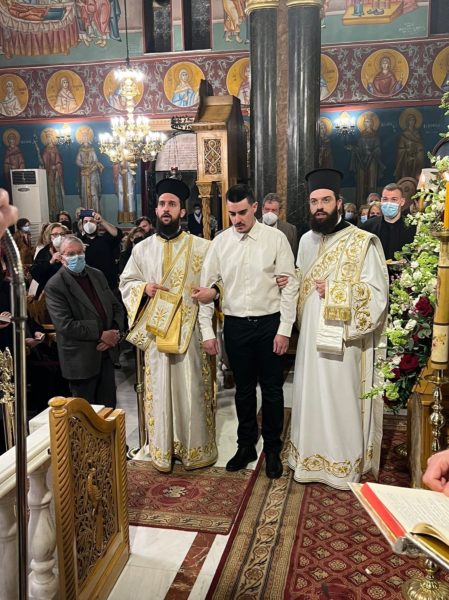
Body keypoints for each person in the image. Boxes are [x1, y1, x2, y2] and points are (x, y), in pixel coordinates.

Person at [288, 168, 389, 490]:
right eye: (314, 201)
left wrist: (336, 291)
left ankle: (341, 464)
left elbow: (377, 294)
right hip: (310, 339)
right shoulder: (306, 241)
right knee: (309, 393)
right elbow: (300, 283)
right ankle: (308, 459)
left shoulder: (361, 242)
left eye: (326, 200)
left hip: (344, 339)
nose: (319, 207)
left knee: (338, 396)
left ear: (339, 203)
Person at [197, 184, 299, 479]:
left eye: (242, 212)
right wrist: (207, 332)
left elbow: (290, 286)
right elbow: (206, 290)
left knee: (272, 390)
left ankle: (273, 449)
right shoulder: (220, 243)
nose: (237, 219)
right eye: (232, 214)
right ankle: (246, 446)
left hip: (269, 323)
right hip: (236, 325)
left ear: (254, 208)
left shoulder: (275, 239)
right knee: (243, 390)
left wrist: (284, 329)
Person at [120, 178, 218, 472]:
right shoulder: (141, 249)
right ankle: (163, 447)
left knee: (191, 389)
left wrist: (212, 294)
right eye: (162, 204)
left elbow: (217, 283)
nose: (166, 209)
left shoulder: (202, 247)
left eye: (172, 204)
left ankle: (193, 448)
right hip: (157, 334)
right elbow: (126, 283)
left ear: (182, 211)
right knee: (160, 390)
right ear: (156, 209)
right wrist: (144, 289)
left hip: (190, 333)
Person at [45, 235, 124, 407]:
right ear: (61, 257)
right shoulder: (55, 285)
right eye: (70, 254)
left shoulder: (97, 275)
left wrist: (115, 332)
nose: (76, 257)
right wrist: (101, 334)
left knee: (109, 409)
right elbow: (65, 324)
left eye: (80, 252)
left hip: (107, 355)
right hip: (81, 359)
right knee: (84, 413)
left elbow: (116, 306)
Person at [361, 183, 416, 261]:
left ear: (402, 201)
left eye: (394, 199)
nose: (389, 203)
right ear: (381, 201)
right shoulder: (368, 226)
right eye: (385, 199)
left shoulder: (412, 227)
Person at [78, 211, 122, 291]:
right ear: (82, 225)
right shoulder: (79, 242)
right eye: (85, 222)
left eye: (91, 221)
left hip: (108, 283)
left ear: (97, 223)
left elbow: (118, 234)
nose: (88, 224)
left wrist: (102, 221)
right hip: (89, 284)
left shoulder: (106, 239)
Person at [348, 113, 384, 205]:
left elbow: (378, 148)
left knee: (371, 180)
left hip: (372, 160)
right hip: (361, 161)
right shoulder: (361, 135)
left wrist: (373, 152)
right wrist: (353, 148)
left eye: (368, 121)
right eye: (365, 121)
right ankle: (361, 203)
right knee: (361, 181)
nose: (367, 123)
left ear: (372, 123)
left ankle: (373, 203)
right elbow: (358, 148)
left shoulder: (375, 136)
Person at [30, 222, 69, 298]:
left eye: (62, 234)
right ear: (50, 237)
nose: (59, 237)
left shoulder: (70, 249)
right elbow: (35, 273)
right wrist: (51, 261)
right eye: (55, 234)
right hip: (49, 290)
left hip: (68, 289)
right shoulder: (44, 252)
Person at [261, 193, 299, 258]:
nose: (270, 213)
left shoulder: (290, 230)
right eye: (267, 209)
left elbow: (293, 257)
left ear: (280, 212)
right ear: (262, 209)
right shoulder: (252, 226)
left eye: (274, 210)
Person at [76, 127, 104, 213]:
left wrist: (92, 167)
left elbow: (95, 160)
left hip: (93, 173)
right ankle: (86, 214)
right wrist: (84, 165)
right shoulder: (80, 150)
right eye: (83, 137)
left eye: (86, 136)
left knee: (94, 192)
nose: (85, 138)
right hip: (84, 174)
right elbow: (77, 161)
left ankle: (96, 213)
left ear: (88, 138)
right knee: (85, 194)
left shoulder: (92, 149)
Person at [40, 128, 65, 220]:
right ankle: (51, 214)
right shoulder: (45, 150)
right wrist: (46, 166)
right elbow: (43, 163)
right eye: (48, 137)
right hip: (49, 175)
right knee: (50, 194)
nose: (49, 138)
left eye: (51, 136)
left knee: (57, 193)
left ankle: (59, 213)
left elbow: (59, 162)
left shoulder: (56, 149)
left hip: (56, 175)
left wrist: (56, 167)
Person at [394, 112, 425, 181]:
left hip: (416, 155)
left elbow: (420, 145)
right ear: (407, 122)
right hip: (406, 156)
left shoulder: (417, 133)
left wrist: (418, 151)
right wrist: (406, 151)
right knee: (406, 163)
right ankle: (406, 181)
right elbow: (400, 148)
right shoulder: (404, 134)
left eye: (413, 120)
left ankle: (417, 180)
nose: (412, 122)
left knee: (419, 159)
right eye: (410, 120)